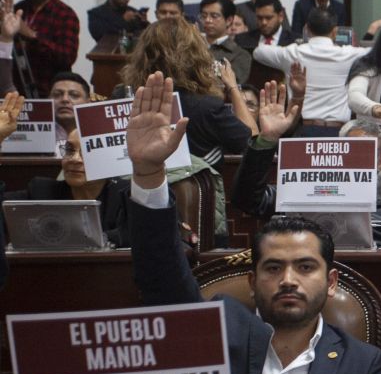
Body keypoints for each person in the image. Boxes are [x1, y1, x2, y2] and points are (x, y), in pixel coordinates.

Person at [125, 72, 381, 374]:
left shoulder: (359, 363)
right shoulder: (219, 331)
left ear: (332, 282)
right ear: (252, 282)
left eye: (305, 267)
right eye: (273, 268)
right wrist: (149, 174)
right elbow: (161, 280)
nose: (289, 279)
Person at [232, 82, 381, 243]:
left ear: (379, 160)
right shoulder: (308, 186)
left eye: (366, 153)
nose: (358, 160)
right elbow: (247, 200)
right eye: (352, 151)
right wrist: (268, 139)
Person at [0, 93, 133, 245]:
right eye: (69, 150)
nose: (75, 159)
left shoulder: (126, 195)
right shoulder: (41, 191)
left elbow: (134, 234)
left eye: (86, 152)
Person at [120, 18, 255, 167]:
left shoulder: (122, 95)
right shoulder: (207, 107)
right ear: (194, 55)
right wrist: (233, 87)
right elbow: (253, 145)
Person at [255, 8, 369, 136]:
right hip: (339, 132)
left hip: (304, 129)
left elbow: (258, 52)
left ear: (307, 29)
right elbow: (377, 52)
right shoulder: (350, 54)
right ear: (335, 32)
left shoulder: (292, 53)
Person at [14, 0, 80, 96]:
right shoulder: (18, 9)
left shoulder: (65, 13)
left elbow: (67, 57)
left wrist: (33, 36)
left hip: (49, 91)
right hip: (16, 88)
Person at [198, 0, 252, 88]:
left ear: (228, 20)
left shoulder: (240, 55)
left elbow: (233, 86)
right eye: (204, 16)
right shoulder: (193, 46)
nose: (207, 20)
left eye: (214, 16)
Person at [49, 71, 90, 145]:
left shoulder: (99, 134)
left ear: (88, 103)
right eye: (57, 94)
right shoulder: (34, 136)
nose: (65, 99)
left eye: (74, 95)